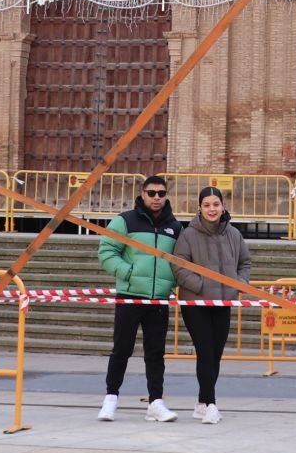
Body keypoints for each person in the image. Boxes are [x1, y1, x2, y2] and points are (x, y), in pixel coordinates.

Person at [97, 175, 182, 423]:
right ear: (142, 193)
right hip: (130, 296)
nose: (157, 198)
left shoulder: (175, 227)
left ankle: (156, 402)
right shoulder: (125, 221)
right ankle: (110, 399)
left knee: (156, 352)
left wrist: (171, 283)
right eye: (152, 193)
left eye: (161, 193)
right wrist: (128, 273)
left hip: (158, 300)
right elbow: (107, 251)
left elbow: (180, 260)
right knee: (121, 349)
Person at [173, 185, 253, 425]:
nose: (212, 209)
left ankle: (201, 402)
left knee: (215, 354)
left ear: (223, 206)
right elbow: (179, 266)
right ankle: (211, 404)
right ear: (200, 207)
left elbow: (245, 262)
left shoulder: (234, 234)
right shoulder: (188, 234)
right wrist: (200, 285)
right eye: (207, 205)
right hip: (195, 303)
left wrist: (238, 284)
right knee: (206, 352)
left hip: (223, 301)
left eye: (215, 204)